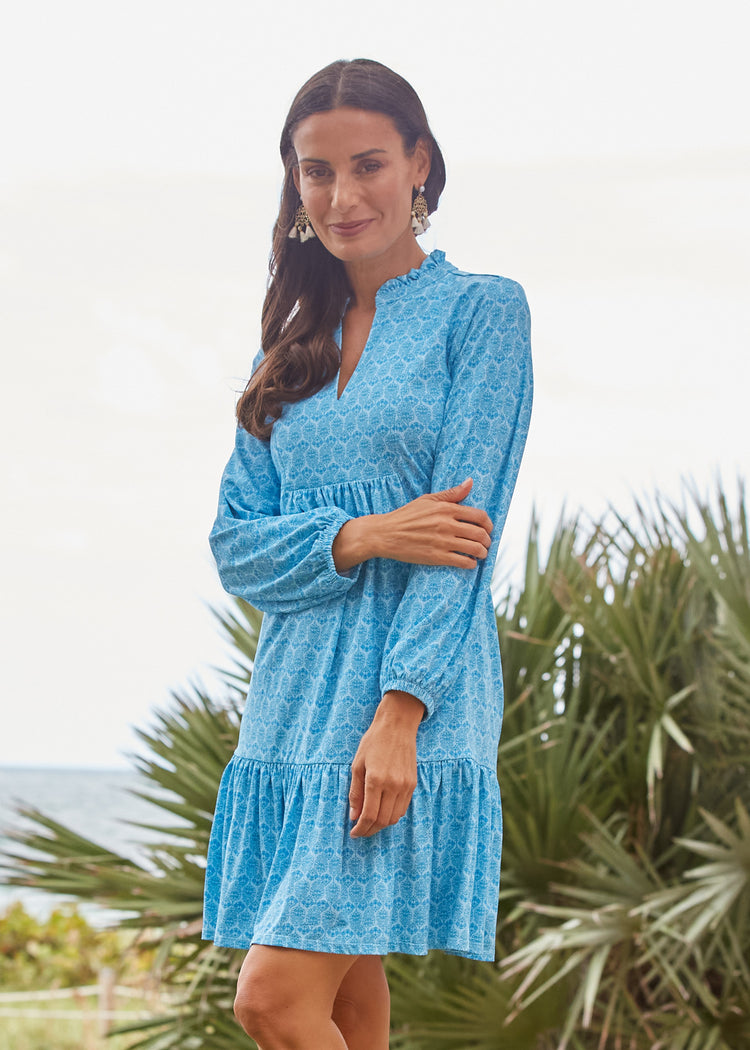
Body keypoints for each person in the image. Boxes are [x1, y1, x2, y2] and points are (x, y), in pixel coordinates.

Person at [202, 57, 533, 1050]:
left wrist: (402, 714)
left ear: (421, 166)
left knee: (271, 1001)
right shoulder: (287, 351)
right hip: (293, 698)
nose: (341, 196)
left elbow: (463, 538)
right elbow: (235, 548)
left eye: (369, 165)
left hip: (401, 697)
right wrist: (362, 535)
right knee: (348, 1008)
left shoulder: (483, 312)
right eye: (316, 171)